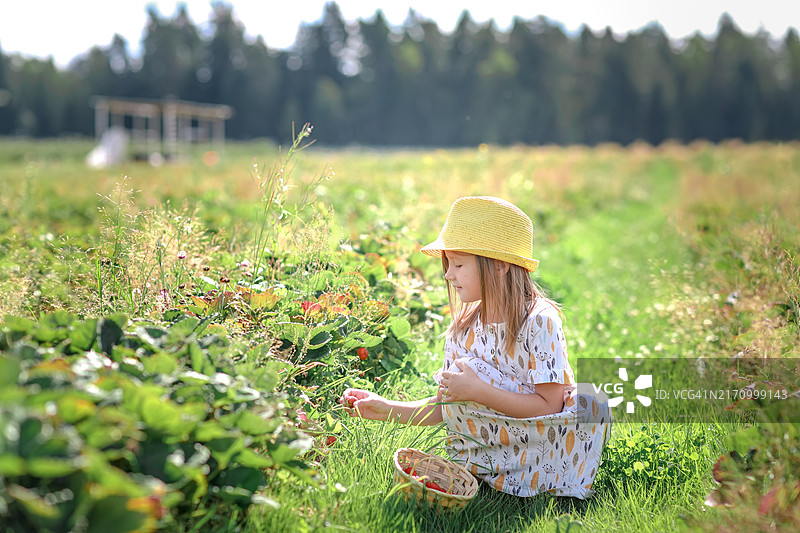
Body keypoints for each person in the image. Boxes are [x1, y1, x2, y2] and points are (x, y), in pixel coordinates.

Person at [340, 196, 611, 499]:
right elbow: (447, 405)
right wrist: (386, 409)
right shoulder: (462, 330)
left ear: (499, 267)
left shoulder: (539, 321)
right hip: (486, 450)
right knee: (465, 374)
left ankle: (553, 485)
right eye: (447, 264)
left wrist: (479, 390)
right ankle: (485, 472)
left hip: (542, 448)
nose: (447, 274)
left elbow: (549, 405)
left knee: (592, 399)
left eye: (457, 264)